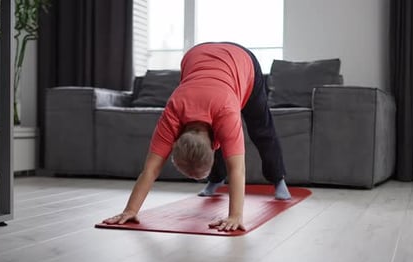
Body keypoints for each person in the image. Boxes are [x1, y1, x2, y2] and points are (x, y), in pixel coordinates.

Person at [102, 42, 291, 232]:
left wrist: (235, 216)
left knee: (261, 128)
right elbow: (150, 170)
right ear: (175, 140)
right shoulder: (172, 113)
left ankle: (278, 179)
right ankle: (216, 179)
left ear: (213, 146)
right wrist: (130, 210)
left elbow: (237, 170)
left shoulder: (226, 112)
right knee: (218, 134)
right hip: (196, 57)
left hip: (243, 62)